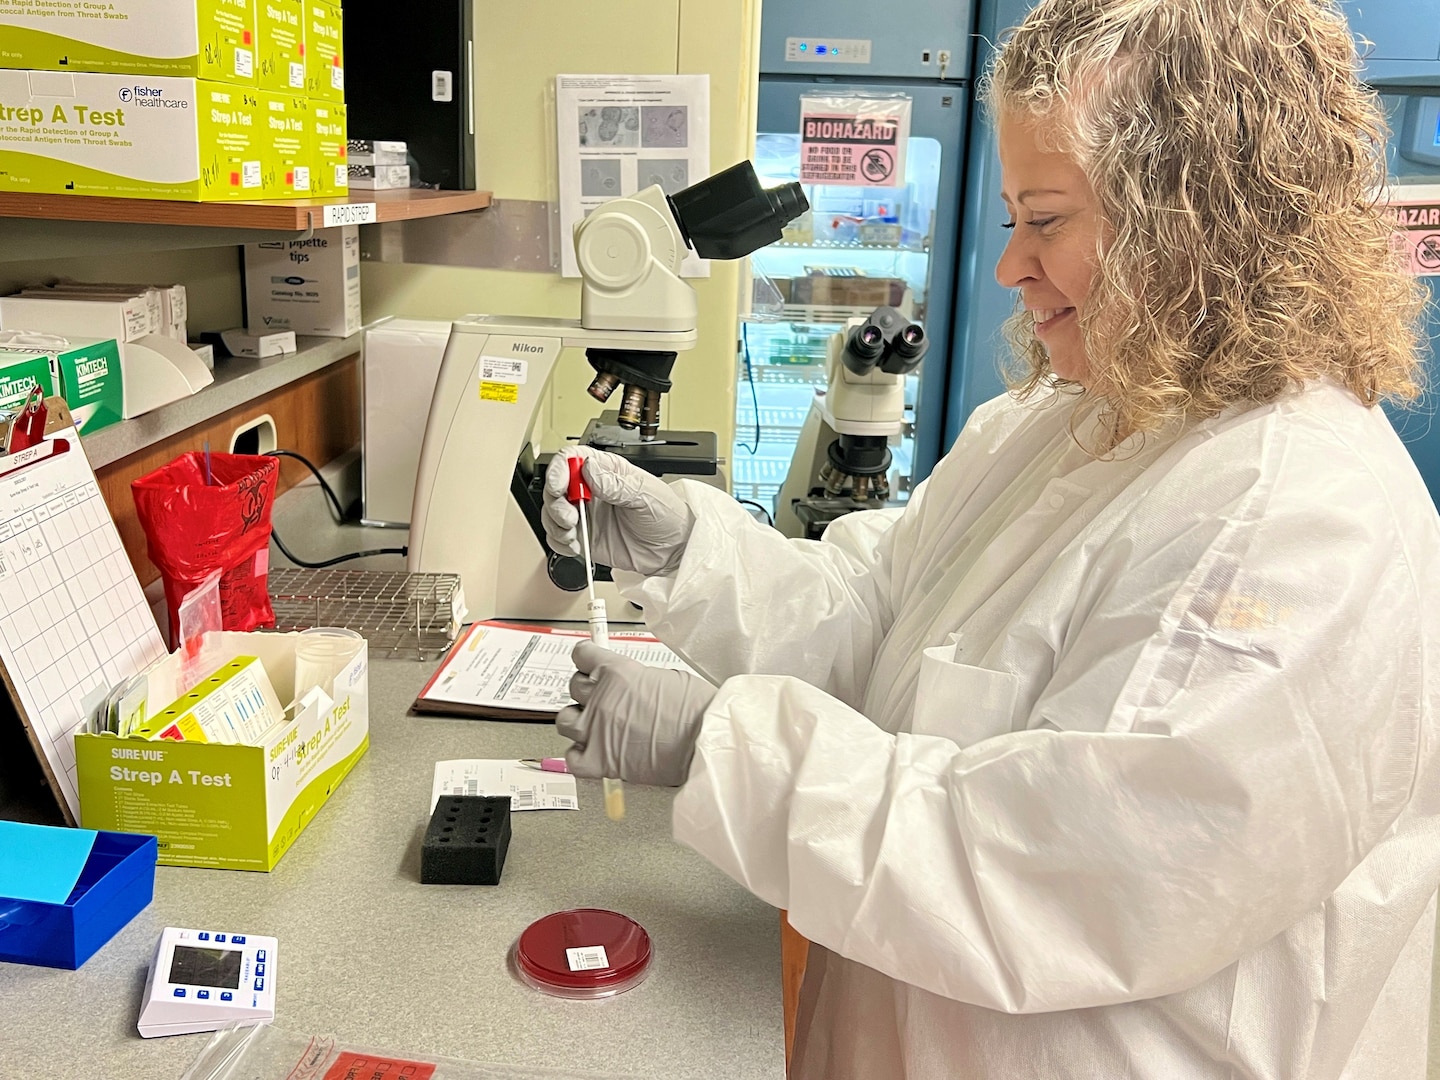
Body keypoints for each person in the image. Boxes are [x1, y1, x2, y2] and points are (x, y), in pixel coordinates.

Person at [541, 0, 1440, 1075]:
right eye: (1012, 216)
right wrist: (691, 545)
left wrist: (716, 746)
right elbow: (879, 628)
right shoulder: (1071, 421)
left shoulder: (1300, 519)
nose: (1011, 266)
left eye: (1046, 219)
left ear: (1196, 219)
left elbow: (1057, 876)